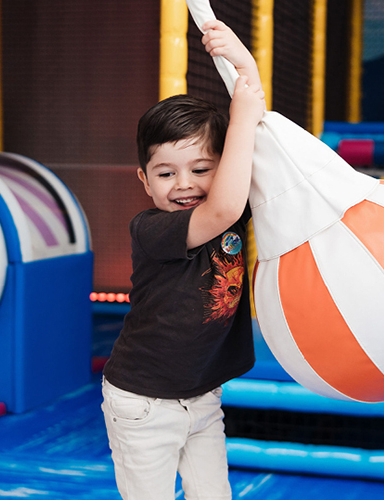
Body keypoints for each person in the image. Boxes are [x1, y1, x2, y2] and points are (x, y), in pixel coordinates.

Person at [101, 19, 265, 500]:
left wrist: (245, 64)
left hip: (202, 396)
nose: (185, 184)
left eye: (201, 168)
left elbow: (258, 129)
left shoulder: (231, 206)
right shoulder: (153, 228)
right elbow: (223, 209)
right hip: (143, 403)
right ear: (144, 180)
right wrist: (240, 119)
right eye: (166, 173)